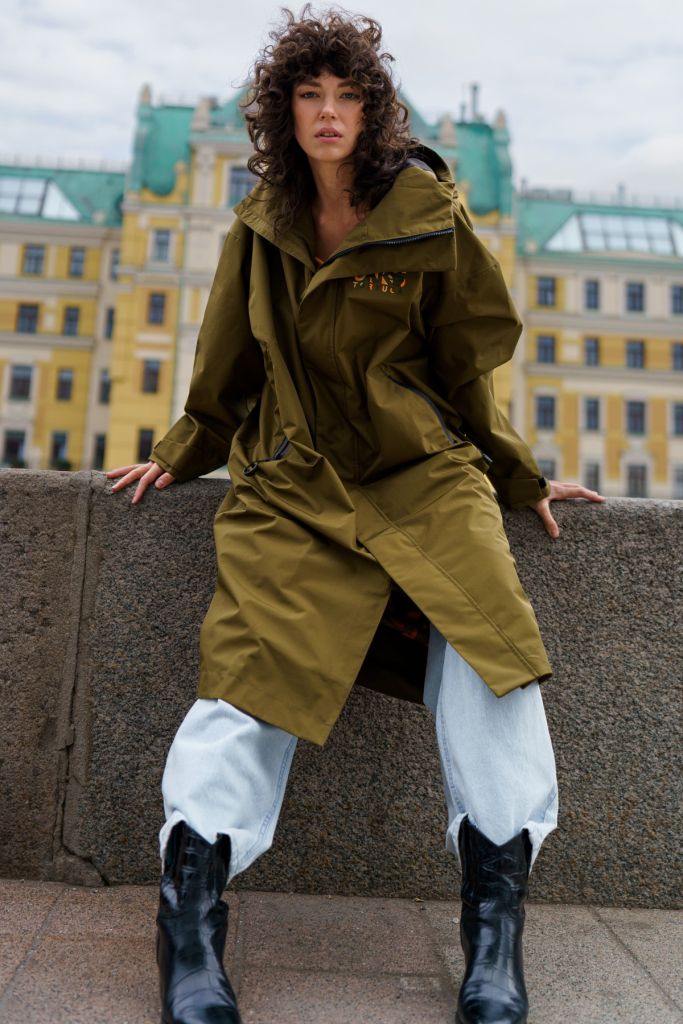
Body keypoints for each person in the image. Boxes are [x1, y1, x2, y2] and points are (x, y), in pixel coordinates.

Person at [107, 6, 604, 1023]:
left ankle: (493, 937)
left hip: (424, 473)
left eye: (346, 96)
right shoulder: (260, 224)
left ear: (372, 111)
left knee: (492, 653)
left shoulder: (427, 213)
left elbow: (465, 368)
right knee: (244, 674)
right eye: (309, 94)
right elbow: (224, 366)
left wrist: (517, 476)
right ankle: (190, 930)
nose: (327, 112)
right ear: (283, 112)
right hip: (293, 481)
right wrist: (180, 452)